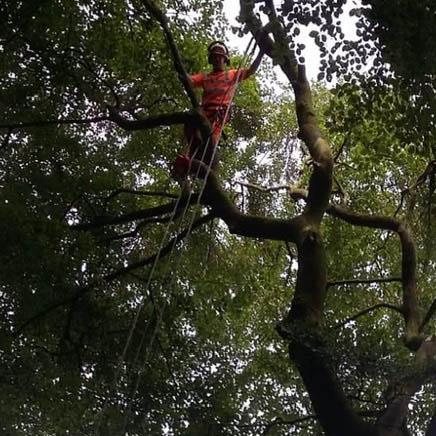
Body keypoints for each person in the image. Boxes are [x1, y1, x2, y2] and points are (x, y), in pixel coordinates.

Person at [172, 40, 265, 181]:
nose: (217, 60)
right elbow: (190, 80)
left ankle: (203, 168)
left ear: (225, 59)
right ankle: (187, 163)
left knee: (210, 143)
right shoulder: (205, 77)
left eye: (219, 57)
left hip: (218, 115)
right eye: (214, 57)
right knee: (191, 129)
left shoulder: (231, 75)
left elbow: (251, 71)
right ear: (211, 59)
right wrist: (180, 69)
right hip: (203, 112)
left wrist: (261, 52)